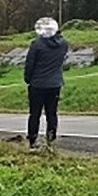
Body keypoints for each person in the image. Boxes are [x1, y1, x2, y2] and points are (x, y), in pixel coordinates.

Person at [24, 17, 69, 150]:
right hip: (55, 84)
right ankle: (51, 139)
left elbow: (30, 64)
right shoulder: (63, 44)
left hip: (37, 84)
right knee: (52, 113)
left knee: (35, 114)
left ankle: (33, 140)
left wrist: (28, 79)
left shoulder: (37, 44)